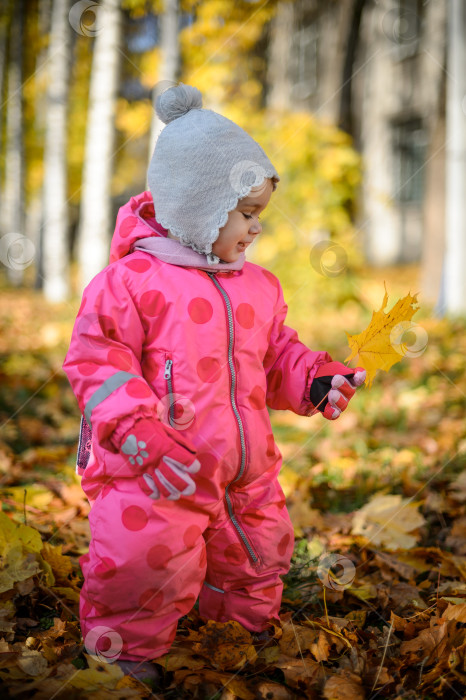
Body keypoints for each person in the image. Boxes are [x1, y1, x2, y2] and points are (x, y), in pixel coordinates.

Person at [63, 83, 365, 683]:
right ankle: (125, 655)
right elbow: (97, 363)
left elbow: (275, 354)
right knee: (144, 566)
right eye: (246, 213)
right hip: (156, 470)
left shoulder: (259, 286)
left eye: (260, 214)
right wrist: (135, 428)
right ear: (198, 206)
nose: (256, 230)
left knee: (258, 557)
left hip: (244, 471)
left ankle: (234, 634)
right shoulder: (130, 282)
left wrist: (313, 379)